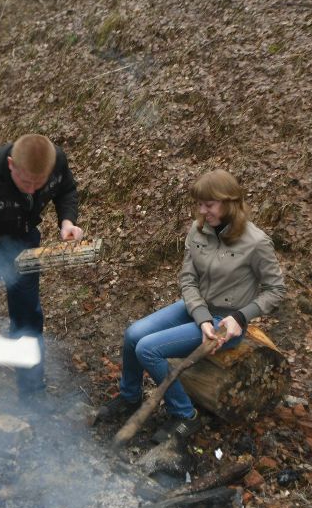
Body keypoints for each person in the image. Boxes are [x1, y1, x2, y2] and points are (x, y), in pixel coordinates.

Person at [96, 169, 285, 443]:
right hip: (196, 309)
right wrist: (201, 317)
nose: (202, 211)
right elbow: (187, 279)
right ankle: (130, 397)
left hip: (226, 324)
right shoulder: (198, 231)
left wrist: (240, 318)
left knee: (148, 349)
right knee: (133, 334)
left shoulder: (256, 243)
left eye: (209, 205)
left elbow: (276, 290)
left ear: (229, 203)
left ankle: (185, 415)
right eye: (199, 204)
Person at [0, 134, 83, 401]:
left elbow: (67, 189)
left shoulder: (55, 161)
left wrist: (67, 222)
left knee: (28, 314)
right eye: (26, 182)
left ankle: (32, 391)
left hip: (22, 238)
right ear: (11, 164)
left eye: (40, 183)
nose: (33, 190)